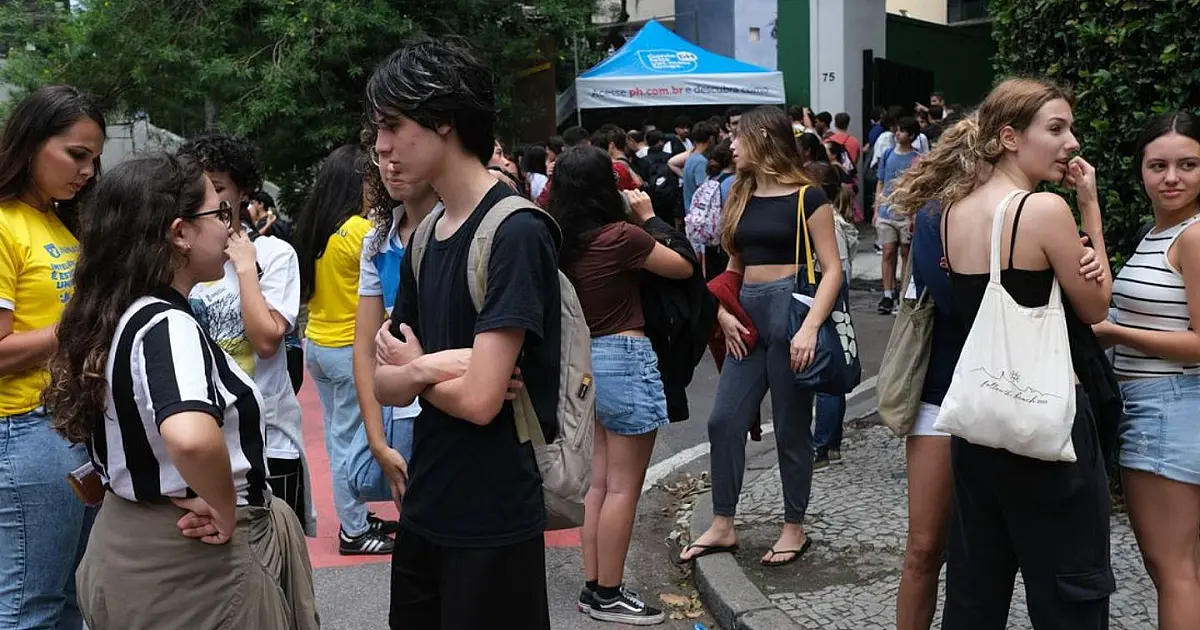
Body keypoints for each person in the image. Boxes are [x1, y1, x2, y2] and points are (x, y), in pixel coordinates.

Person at [44, 153, 318, 630]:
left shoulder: (115, 313)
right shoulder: (166, 324)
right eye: (219, 215)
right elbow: (190, 435)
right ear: (179, 233)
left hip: (132, 541)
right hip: (191, 563)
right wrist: (226, 507)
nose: (229, 228)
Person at [888, 77, 1114, 629]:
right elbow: (1096, 305)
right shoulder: (1040, 210)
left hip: (980, 425)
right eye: (1056, 129)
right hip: (1047, 424)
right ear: (1010, 136)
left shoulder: (953, 211)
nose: (1072, 143)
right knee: (1068, 589)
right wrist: (1090, 208)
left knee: (976, 588)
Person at [367, 38, 559, 629]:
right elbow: (384, 383)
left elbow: (481, 402)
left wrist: (417, 369)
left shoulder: (516, 232)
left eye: (394, 125)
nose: (381, 146)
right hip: (427, 506)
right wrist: (428, 368)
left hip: (493, 519)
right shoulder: (427, 234)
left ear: (444, 119)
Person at [679, 106, 842, 568]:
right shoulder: (741, 195)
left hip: (792, 315)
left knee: (792, 429)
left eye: (739, 137)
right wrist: (723, 313)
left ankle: (794, 527)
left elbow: (832, 270)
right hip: (748, 318)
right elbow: (733, 268)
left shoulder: (809, 197)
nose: (731, 144)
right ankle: (723, 523)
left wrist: (809, 329)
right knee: (723, 420)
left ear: (764, 140)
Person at [549, 146, 692, 624]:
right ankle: (608, 592)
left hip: (582, 367)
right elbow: (683, 267)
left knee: (599, 486)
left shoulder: (558, 241)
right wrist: (651, 218)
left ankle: (595, 585)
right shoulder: (621, 237)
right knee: (624, 489)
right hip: (625, 359)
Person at [0, 84, 104, 630]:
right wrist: (76, 325)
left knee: (67, 599)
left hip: (68, 429)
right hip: (24, 431)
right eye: (76, 154)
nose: (86, 171)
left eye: (94, 159)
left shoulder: (58, 221)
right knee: (26, 608)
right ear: (32, 141)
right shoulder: (3, 224)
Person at [178, 131, 316, 537]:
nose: (208, 200)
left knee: (277, 565)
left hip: (269, 439)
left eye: (218, 188)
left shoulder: (273, 255)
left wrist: (243, 266)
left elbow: (267, 339)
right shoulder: (180, 257)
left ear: (243, 192)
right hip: (206, 440)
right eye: (197, 190)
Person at [1093, 112, 1200, 630]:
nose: (1172, 177)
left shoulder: (1194, 237)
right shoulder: (1156, 233)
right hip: (1156, 406)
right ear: (1140, 172)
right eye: (1158, 165)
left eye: (1188, 164)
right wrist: (1089, 202)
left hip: (1167, 407)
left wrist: (1115, 335)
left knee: (1172, 568)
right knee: (1184, 567)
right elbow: (1112, 298)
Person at [292, 144, 397, 554]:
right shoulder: (359, 233)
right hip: (348, 348)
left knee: (341, 439)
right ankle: (353, 530)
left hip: (318, 344)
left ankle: (356, 517)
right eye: (371, 179)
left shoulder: (320, 229)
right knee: (350, 442)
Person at [352, 138, 443, 508]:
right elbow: (364, 350)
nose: (390, 164)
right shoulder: (377, 241)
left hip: (463, 407)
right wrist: (377, 441)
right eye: (381, 155)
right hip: (404, 411)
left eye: (399, 151)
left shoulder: (464, 229)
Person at [804, 161, 857, 470]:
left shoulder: (828, 223)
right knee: (830, 367)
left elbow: (834, 269)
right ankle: (829, 443)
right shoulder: (832, 219)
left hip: (827, 299)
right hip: (832, 298)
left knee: (826, 373)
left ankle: (822, 446)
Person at [875, 117, 923, 314]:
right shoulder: (887, 154)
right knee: (887, 251)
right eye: (898, 130)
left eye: (903, 131)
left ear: (911, 135)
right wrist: (876, 209)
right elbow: (881, 181)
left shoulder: (918, 158)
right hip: (887, 211)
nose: (898, 133)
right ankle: (888, 293)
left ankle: (904, 294)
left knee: (905, 253)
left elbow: (920, 187)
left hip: (906, 212)